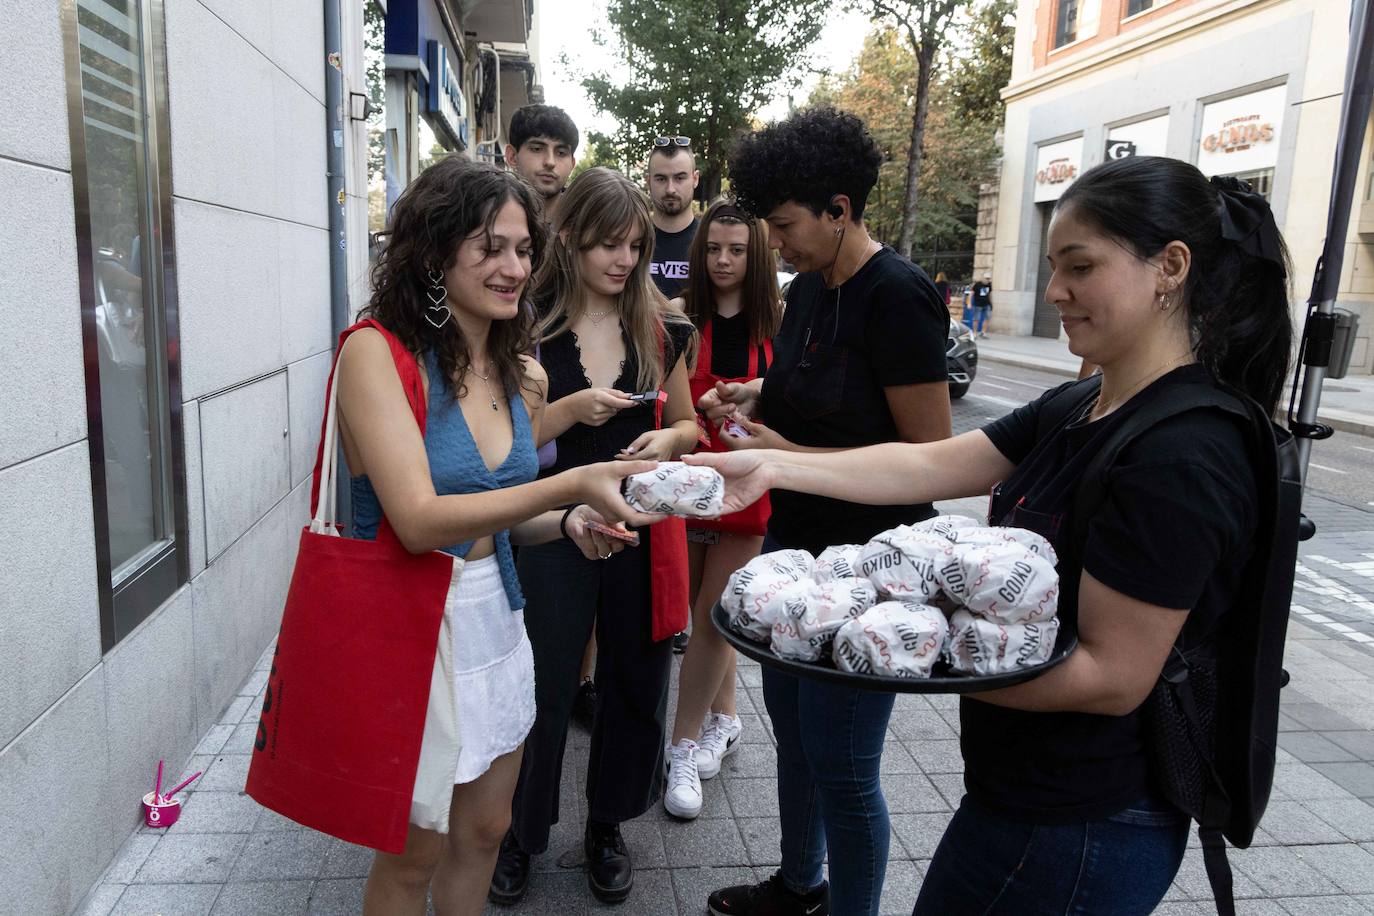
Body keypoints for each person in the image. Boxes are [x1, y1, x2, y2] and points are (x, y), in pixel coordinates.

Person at [689, 155, 1293, 915]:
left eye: (1081, 267)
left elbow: (1113, 675)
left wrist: (900, 656)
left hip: (1086, 821)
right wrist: (772, 467)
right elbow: (929, 464)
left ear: (1171, 268)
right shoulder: (1085, 402)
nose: (1054, 292)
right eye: (1053, 266)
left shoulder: (1182, 451)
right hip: (1020, 795)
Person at [335, 157, 660, 916]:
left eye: (522, 249)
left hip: (497, 621)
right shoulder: (374, 354)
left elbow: (501, 515)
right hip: (416, 630)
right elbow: (416, 521)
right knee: (414, 855)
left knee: (485, 831)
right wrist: (571, 484)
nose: (513, 268)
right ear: (433, 250)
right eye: (489, 248)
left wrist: (570, 523)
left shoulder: (520, 369)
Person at [696, 107, 953, 916]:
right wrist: (757, 393)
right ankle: (799, 885)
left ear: (840, 210)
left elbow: (925, 461)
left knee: (843, 765)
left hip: (872, 576)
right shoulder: (807, 290)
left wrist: (782, 455)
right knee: (797, 742)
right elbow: (821, 383)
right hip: (793, 556)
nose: (778, 245)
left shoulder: (900, 296)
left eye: (785, 226)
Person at [491, 167, 700, 907]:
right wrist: (572, 409)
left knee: (636, 680)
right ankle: (519, 832)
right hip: (552, 528)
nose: (623, 259)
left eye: (636, 246)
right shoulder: (526, 323)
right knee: (544, 686)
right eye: (610, 243)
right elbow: (505, 447)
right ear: (572, 237)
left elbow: (687, 421)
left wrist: (667, 443)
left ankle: (607, 826)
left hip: (641, 527)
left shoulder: (662, 325)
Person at [661, 198, 783, 820]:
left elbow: (794, 403)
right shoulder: (678, 317)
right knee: (703, 610)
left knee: (712, 616)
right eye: (713, 248)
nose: (724, 260)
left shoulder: (779, 325)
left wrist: (754, 400)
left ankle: (681, 746)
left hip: (746, 490)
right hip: (687, 482)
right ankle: (726, 719)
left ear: (755, 254)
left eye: (737, 249)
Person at [504, 104, 579, 224]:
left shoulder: (591, 228)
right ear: (512, 156)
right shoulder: (484, 219)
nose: (550, 162)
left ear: (572, 164)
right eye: (537, 149)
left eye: (561, 153)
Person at [646, 135, 700, 299]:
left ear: (695, 179)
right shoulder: (630, 239)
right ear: (648, 181)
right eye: (661, 179)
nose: (670, 189)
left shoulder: (710, 241)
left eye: (679, 178)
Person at [967, 272, 992, 338]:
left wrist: (991, 303)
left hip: (986, 304)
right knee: (976, 319)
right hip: (977, 304)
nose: (988, 280)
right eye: (987, 278)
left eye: (989, 278)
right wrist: (969, 303)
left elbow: (989, 294)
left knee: (987, 318)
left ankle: (983, 332)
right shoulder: (977, 284)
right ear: (983, 278)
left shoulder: (989, 284)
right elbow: (971, 294)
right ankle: (974, 333)